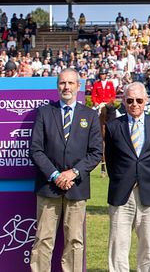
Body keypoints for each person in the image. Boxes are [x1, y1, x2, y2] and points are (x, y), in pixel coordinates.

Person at [29, 68, 102, 272]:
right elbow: (35, 149)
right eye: (62, 83)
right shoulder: (44, 113)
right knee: (43, 239)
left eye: (71, 83)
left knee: (75, 241)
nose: (66, 87)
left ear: (79, 87)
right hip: (48, 187)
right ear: (57, 86)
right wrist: (55, 175)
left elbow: (96, 153)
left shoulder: (90, 115)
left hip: (76, 187)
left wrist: (73, 173)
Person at [105, 82, 150, 272]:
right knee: (118, 243)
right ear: (123, 101)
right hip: (122, 192)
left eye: (139, 100)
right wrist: (124, 177)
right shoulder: (113, 126)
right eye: (130, 100)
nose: (135, 104)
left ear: (146, 101)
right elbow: (110, 159)